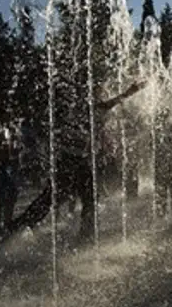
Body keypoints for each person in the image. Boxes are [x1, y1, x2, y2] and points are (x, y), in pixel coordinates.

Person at [8, 80, 147, 242]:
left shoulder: (84, 110)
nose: (101, 95)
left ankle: (84, 234)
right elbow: (111, 103)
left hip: (78, 162)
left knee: (82, 198)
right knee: (56, 197)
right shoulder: (86, 110)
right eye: (98, 92)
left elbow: (110, 105)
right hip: (71, 162)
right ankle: (20, 225)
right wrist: (131, 91)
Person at [154, 108, 172, 216]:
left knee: (165, 189)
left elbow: (153, 146)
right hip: (168, 162)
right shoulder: (168, 128)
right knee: (171, 188)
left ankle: (164, 212)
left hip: (164, 162)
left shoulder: (158, 129)